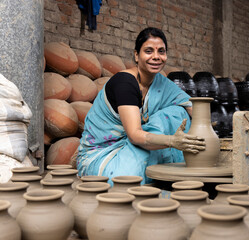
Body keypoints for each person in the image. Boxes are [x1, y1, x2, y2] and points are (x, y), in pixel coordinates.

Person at [76, 27, 206, 184]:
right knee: (131, 176)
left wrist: (206, 128)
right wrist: (173, 141)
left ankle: (170, 175)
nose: (156, 57)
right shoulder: (124, 83)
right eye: (149, 51)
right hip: (102, 156)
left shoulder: (161, 83)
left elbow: (194, 107)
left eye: (161, 51)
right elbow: (135, 135)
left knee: (178, 113)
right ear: (137, 55)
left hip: (132, 147)